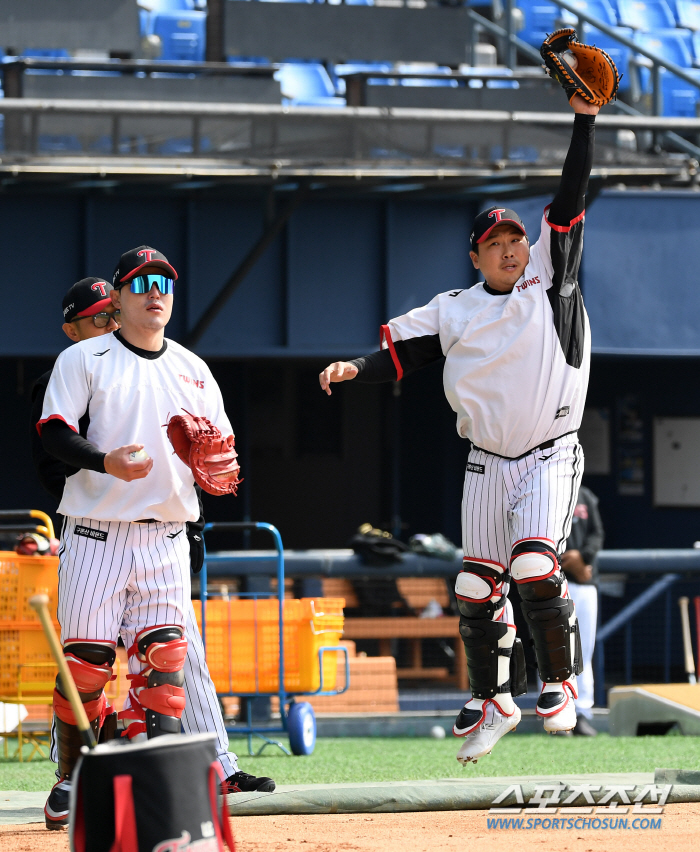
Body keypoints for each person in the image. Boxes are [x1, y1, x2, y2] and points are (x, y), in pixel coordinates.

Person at [320, 94, 598, 764]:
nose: (508, 250)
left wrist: (583, 121)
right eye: (494, 244)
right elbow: (398, 356)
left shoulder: (550, 277)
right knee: (475, 585)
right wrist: (355, 369)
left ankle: (560, 685)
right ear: (475, 257)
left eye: (514, 241)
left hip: (548, 452)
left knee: (534, 564)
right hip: (485, 459)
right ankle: (493, 699)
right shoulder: (455, 310)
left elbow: (569, 196)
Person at [35, 257, 274, 830]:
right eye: (140, 284)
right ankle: (73, 778)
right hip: (97, 533)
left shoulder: (193, 369)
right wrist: (103, 460)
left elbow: (222, 446)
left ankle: (163, 784)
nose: (154, 293)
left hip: (167, 537)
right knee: (87, 667)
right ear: (118, 297)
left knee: (166, 661)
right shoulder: (84, 357)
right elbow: (52, 430)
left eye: (163, 283)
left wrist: (219, 463)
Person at [561, 485, 604, 737]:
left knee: (583, 650)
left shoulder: (586, 495)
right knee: (551, 649)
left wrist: (583, 558)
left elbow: (597, 533)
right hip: (550, 579)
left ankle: (581, 712)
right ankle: (555, 712)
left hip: (584, 583)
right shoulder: (541, 488)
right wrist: (566, 559)